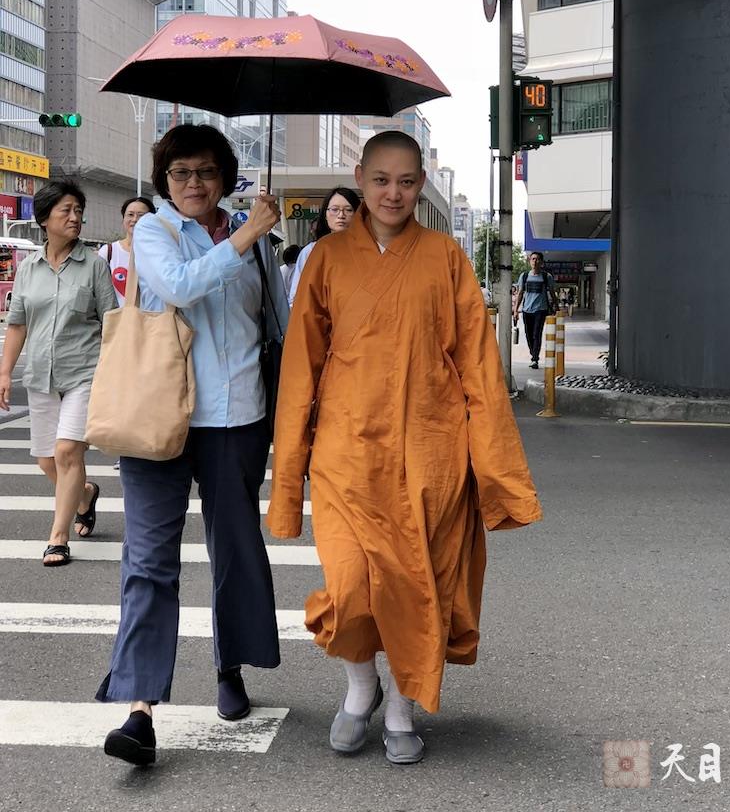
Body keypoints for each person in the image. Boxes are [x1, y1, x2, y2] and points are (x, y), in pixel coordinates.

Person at [267, 131, 542, 765]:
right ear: (360, 178)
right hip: (346, 454)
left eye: (407, 181)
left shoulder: (446, 256)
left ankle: (399, 704)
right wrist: (288, 479)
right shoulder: (327, 259)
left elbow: (477, 364)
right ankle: (360, 690)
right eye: (382, 179)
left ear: (421, 184)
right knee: (354, 586)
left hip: (430, 451)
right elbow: (300, 371)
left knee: (420, 586)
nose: (394, 193)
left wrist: (491, 464)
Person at [97, 123, 288, 766]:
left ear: (227, 175)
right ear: (164, 181)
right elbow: (178, 286)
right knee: (150, 559)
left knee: (235, 548)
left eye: (206, 171)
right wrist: (244, 237)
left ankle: (230, 667)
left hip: (237, 416)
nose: (194, 184)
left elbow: (277, 326)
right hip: (158, 416)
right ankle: (140, 706)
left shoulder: (256, 234)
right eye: (181, 173)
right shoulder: (153, 230)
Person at [0, 181, 118, 566]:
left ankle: (58, 537)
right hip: (39, 374)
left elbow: (111, 323)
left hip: (85, 371)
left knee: (68, 451)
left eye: (78, 211)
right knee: (46, 459)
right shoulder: (28, 269)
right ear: (45, 217)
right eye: (66, 210)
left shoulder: (94, 265)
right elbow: (17, 324)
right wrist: (5, 373)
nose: (75, 217)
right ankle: (84, 495)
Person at [287, 186, 360, 304]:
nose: (341, 215)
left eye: (348, 210)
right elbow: (297, 296)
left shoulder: (367, 250)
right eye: (335, 209)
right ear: (325, 214)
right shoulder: (312, 251)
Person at [98, 196, 156, 306]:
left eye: (141, 215)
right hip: (117, 319)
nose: (135, 219)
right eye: (130, 214)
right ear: (123, 218)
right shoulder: (108, 252)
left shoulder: (159, 253)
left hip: (150, 319)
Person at [512, 251, 557, 369]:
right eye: (533, 259)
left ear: (541, 262)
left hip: (541, 310)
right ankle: (533, 353)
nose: (535, 261)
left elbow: (552, 293)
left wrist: (556, 307)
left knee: (537, 334)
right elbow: (520, 293)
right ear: (529, 261)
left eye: (537, 259)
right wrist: (516, 310)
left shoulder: (547, 277)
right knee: (528, 334)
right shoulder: (524, 276)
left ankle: (535, 358)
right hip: (527, 310)